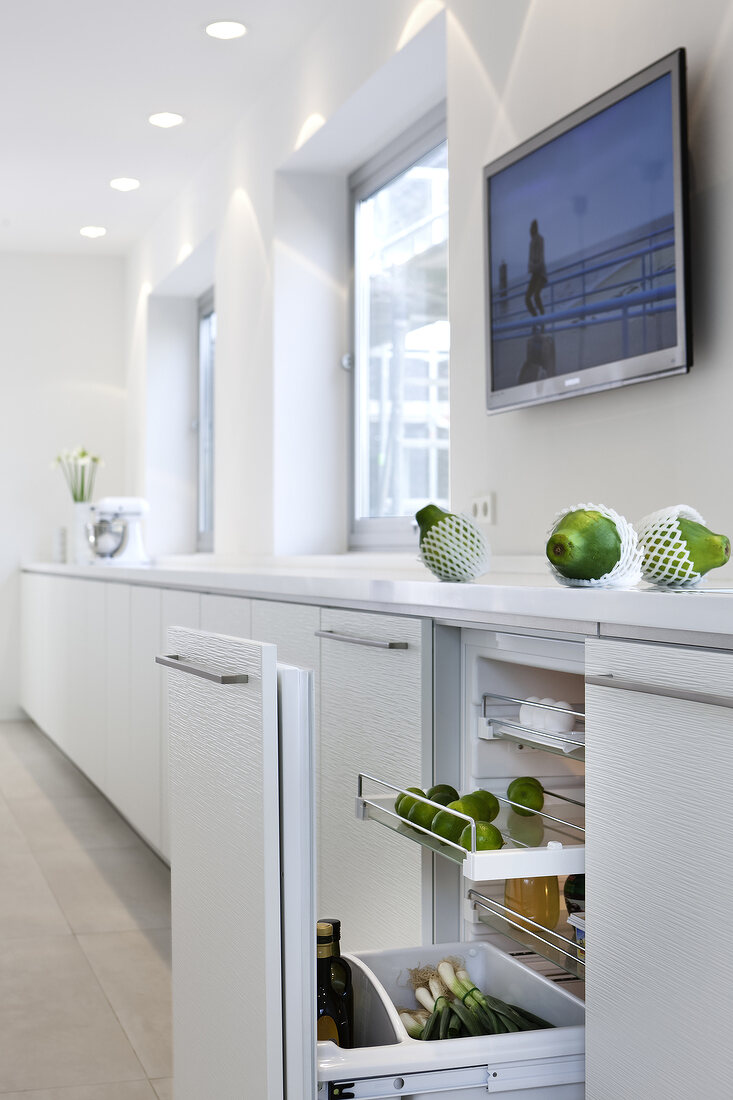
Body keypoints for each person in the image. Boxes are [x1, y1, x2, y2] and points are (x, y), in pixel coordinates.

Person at [525, 219, 547, 317]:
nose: (531, 230)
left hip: (540, 273)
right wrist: (532, 266)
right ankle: (536, 318)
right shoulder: (531, 242)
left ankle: (542, 318)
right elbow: (530, 262)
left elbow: (540, 258)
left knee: (536, 296)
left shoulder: (539, 239)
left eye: (533, 228)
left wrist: (534, 265)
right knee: (527, 298)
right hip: (534, 273)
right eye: (531, 228)